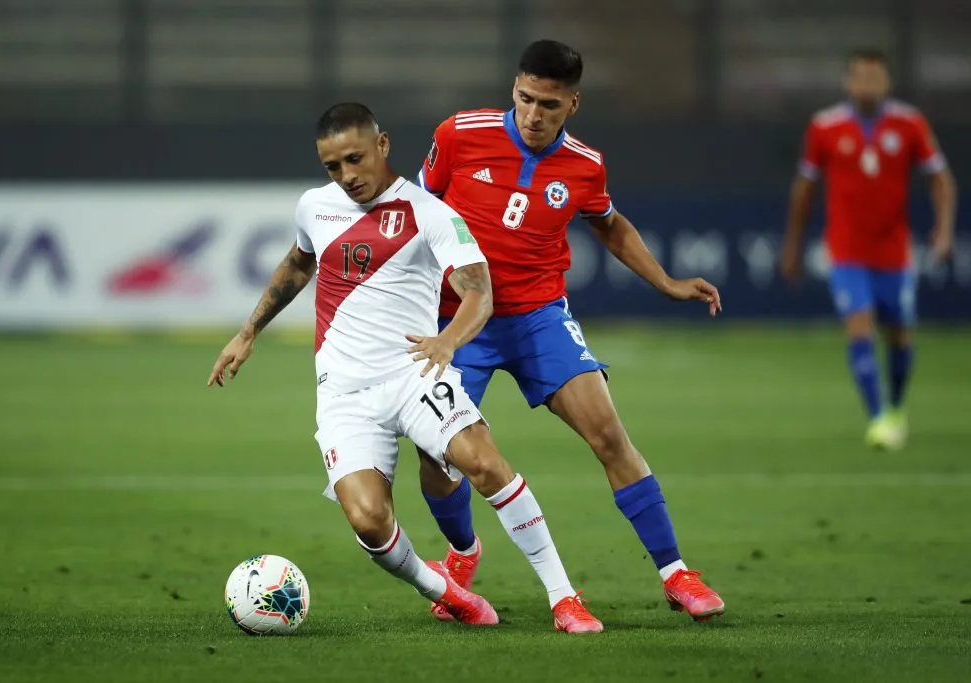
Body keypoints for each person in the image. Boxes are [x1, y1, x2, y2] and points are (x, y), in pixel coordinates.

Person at [207, 102, 603, 633]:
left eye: (355, 158)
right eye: (333, 166)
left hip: (414, 375)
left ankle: (564, 598)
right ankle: (448, 592)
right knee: (369, 522)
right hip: (345, 393)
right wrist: (247, 332)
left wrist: (448, 340)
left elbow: (478, 293)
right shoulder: (314, 208)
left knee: (483, 464)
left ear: (383, 145)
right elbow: (299, 262)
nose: (347, 176)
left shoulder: (431, 214)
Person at [414, 39, 725, 622]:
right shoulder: (459, 133)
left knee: (609, 434)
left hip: (538, 317)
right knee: (436, 455)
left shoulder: (585, 165)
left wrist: (665, 282)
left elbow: (609, 225)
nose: (534, 116)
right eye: (527, 99)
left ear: (573, 104)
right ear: (514, 88)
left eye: (549, 106)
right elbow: (413, 212)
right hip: (457, 319)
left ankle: (676, 572)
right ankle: (462, 554)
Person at [781, 48, 957, 450]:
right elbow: (804, 191)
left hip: (894, 252)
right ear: (848, 82)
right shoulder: (825, 127)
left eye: (875, 78)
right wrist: (792, 245)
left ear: (887, 83)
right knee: (859, 324)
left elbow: (941, 179)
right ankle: (879, 418)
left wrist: (944, 231)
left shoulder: (909, 124)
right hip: (845, 251)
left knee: (898, 337)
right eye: (860, 77)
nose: (867, 85)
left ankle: (895, 406)